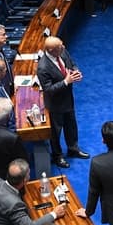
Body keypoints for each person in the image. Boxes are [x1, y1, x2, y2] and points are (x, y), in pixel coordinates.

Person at [36, 36, 89, 169]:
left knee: (71, 125)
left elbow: (71, 63)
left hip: (68, 99)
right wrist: (66, 81)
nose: (63, 47)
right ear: (50, 50)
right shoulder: (43, 67)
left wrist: (75, 72)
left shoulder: (62, 51)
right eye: (60, 47)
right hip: (55, 104)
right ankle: (57, 155)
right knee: (56, 132)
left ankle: (73, 148)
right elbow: (48, 90)